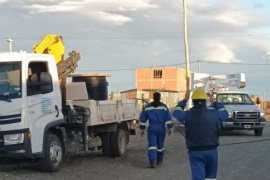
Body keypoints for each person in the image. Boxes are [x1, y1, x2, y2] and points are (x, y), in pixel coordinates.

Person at [172, 88, 228, 180]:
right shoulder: (214, 113)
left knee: (198, 178)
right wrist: (214, 102)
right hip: (212, 151)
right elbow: (224, 114)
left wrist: (185, 100)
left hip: (195, 151)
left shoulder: (187, 114)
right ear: (206, 101)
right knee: (211, 178)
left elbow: (175, 112)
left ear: (193, 101)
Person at [139, 92, 173, 168]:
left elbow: (143, 119)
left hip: (152, 128)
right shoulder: (164, 107)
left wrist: (142, 129)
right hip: (161, 128)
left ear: (153, 98)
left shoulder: (148, 107)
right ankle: (160, 160)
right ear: (160, 98)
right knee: (160, 145)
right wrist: (170, 127)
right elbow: (168, 119)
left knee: (152, 145)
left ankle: (152, 161)